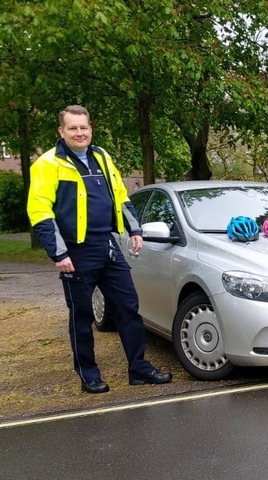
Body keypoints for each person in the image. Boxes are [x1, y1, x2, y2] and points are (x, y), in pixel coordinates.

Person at [27, 105, 172, 393]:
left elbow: (120, 195)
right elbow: (40, 210)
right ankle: (89, 375)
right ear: (62, 131)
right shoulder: (48, 164)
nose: (79, 133)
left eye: (84, 127)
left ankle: (139, 369)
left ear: (90, 129)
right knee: (81, 316)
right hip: (76, 252)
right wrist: (58, 253)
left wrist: (135, 230)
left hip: (108, 245)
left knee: (129, 307)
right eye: (73, 128)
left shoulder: (101, 156)